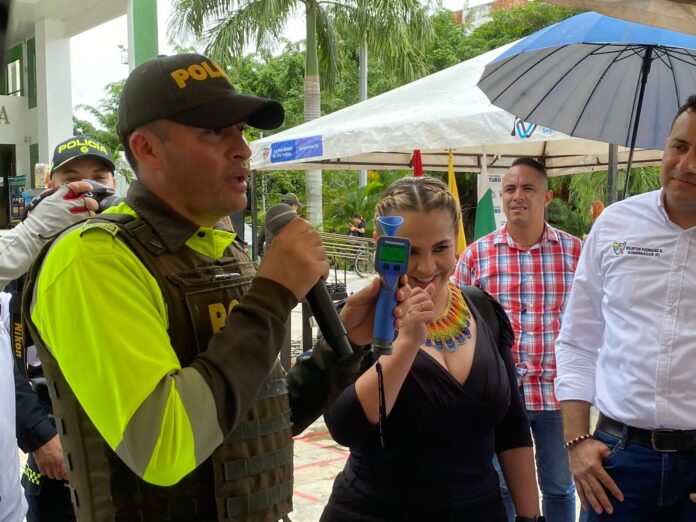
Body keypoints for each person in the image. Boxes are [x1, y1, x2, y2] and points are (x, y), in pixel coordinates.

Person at [21, 53, 413, 522]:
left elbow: (258, 421)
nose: (243, 149)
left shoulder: (223, 249)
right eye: (215, 131)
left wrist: (342, 346)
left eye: (242, 130)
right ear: (146, 149)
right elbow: (163, 445)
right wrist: (272, 294)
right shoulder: (91, 259)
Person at [321, 177, 542, 522]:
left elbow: (511, 427)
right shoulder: (363, 321)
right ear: (383, 246)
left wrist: (532, 518)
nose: (426, 268)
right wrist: (406, 344)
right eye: (410, 251)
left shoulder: (482, 308)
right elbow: (344, 427)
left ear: (457, 242)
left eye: (440, 248)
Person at [555, 95, 696, 521]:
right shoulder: (615, 224)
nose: (687, 165)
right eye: (679, 146)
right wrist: (576, 441)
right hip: (616, 464)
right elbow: (578, 339)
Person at [453, 157, 582, 522]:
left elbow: (592, 324)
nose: (517, 196)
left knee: (559, 486)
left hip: (556, 396)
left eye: (528, 188)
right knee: (505, 485)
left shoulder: (576, 253)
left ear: (547, 197)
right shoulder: (477, 255)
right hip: (500, 396)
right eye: (510, 188)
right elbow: (459, 325)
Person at [14, 136, 117, 522]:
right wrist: (41, 435)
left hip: (119, 432)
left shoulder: (128, 243)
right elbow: (12, 358)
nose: (87, 186)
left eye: (99, 176)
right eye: (72, 177)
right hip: (56, 436)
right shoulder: (27, 251)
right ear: (51, 186)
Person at [0, 180, 100, 522]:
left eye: (100, 175)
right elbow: (17, 371)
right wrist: (40, 433)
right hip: (50, 443)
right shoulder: (20, 273)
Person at [257, 192, 303, 256]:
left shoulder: (269, 218)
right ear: (293, 206)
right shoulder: (294, 221)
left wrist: (262, 255)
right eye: (296, 207)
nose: (297, 209)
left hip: (271, 259)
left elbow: (259, 240)